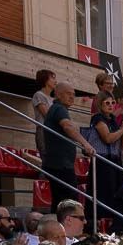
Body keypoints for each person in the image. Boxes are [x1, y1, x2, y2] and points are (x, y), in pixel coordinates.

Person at [43, 83, 96, 211]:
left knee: (60, 201)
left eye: (74, 94)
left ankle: (56, 228)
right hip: (61, 164)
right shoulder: (59, 109)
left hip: (58, 163)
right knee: (70, 202)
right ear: (58, 94)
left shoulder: (57, 109)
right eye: (68, 94)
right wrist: (85, 143)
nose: (72, 97)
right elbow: (67, 127)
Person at [31, 69, 56, 153]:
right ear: (45, 80)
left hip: (54, 131)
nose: (55, 81)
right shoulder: (39, 95)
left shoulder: (54, 99)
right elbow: (47, 115)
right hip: (44, 130)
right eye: (52, 78)